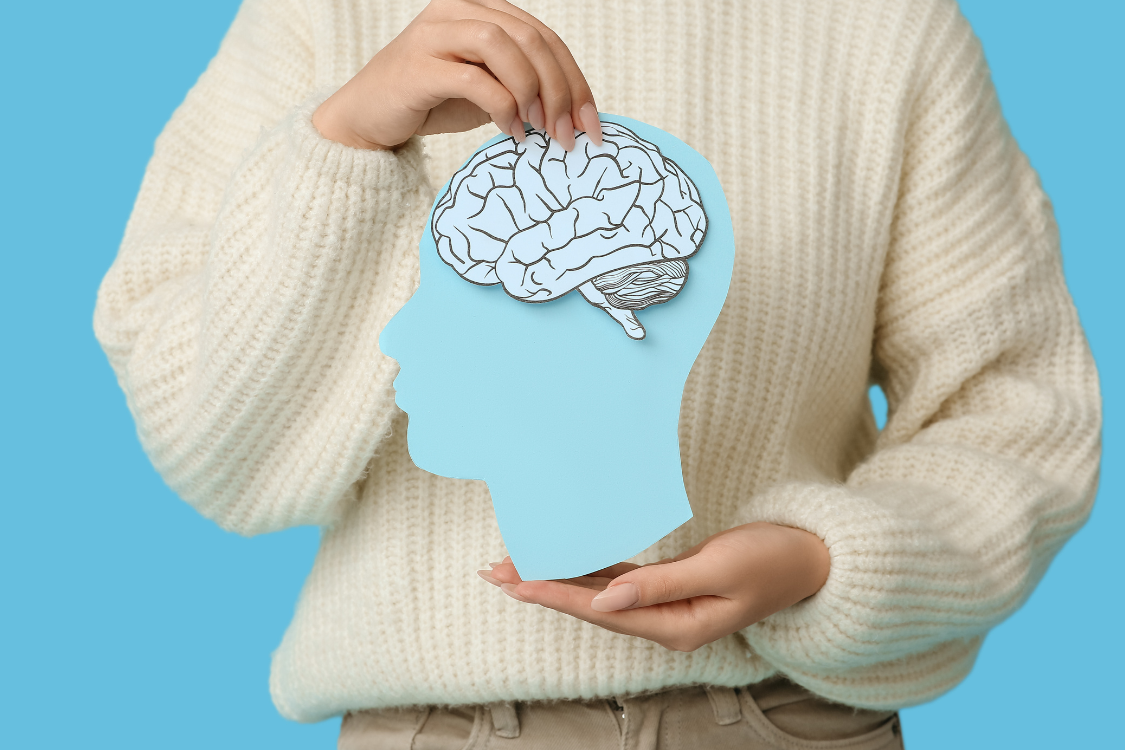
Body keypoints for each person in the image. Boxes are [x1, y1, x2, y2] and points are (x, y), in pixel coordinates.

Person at [93, 0, 1101, 747]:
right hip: (427, 724)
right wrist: (347, 138)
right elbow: (210, 450)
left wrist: (820, 562)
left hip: (781, 720)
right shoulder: (324, 16)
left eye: (462, 307)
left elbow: (1019, 413)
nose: (403, 344)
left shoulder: (885, 30)